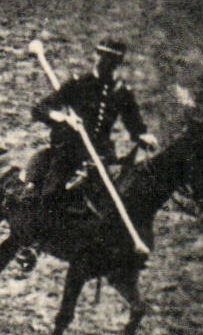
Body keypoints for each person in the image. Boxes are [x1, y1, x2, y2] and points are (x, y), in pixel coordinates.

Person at [23, 38, 157, 209]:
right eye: (103, 57)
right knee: (51, 195)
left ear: (118, 63)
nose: (106, 63)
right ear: (96, 56)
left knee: (120, 198)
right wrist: (64, 118)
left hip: (103, 154)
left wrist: (143, 135)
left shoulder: (122, 92)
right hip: (70, 150)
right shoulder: (78, 84)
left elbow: (134, 124)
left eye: (112, 60)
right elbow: (40, 108)